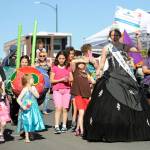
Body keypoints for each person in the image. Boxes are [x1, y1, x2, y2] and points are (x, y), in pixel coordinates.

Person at [83, 28, 150, 142]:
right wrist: (99, 71)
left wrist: (138, 37)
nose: (114, 37)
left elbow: (139, 50)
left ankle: (130, 127)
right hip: (112, 75)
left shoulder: (125, 46)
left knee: (133, 98)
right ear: (110, 36)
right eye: (112, 35)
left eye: (117, 35)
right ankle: (109, 128)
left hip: (125, 76)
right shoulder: (107, 48)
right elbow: (103, 62)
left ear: (120, 36)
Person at [17, 74, 45, 143]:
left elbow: (38, 96)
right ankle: (27, 137)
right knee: (27, 121)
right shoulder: (24, 89)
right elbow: (18, 99)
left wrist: (32, 90)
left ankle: (31, 133)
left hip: (34, 107)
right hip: (27, 108)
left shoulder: (33, 87)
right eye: (32, 79)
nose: (33, 80)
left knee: (33, 119)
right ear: (27, 81)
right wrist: (23, 106)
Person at [71, 57, 95, 136]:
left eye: (83, 64)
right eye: (80, 63)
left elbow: (93, 81)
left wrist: (92, 81)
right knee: (81, 112)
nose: (81, 64)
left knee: (83, 114)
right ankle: (82, 130)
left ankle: (77, 129)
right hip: (78, 95)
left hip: (87, 96)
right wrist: (82, 60)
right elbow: (73, 61)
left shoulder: (86, 73)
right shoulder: (75, 71)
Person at [50, 51, 73, 134]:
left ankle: (64, 126)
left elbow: (72, 78)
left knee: (65, 109)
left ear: (65, 59)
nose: (61, 60)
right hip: (57, 90)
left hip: (67, 90)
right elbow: (51, 80)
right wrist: (62, 79)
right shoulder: (54, 67)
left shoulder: (68, 67)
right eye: (60, 58)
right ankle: (56, 126)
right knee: (58, 108)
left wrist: (68, 79)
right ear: (57, 59)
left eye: (63, 58)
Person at [65, 46, 77, 131]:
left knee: (75, 106)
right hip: (66, 87)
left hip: (74, 86)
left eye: (73, 53)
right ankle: (65, 122)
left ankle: (74, 123)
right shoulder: (64, 63)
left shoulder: (75, 62)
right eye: (70, 53)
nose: (71, 55)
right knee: (66, 106)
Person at [0, 75, 11, 143]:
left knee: (3, 123)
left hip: (1, 106)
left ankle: (1, 134)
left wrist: (4, 92)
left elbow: (2, 83)